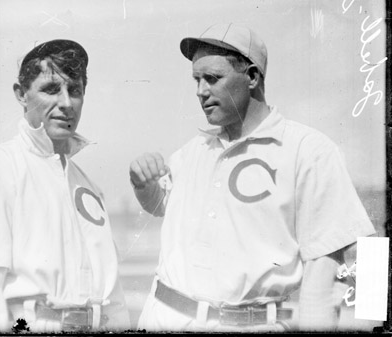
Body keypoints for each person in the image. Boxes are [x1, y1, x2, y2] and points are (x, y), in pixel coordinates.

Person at [129, 23, 376, 332]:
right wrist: (141, 183)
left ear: (252, 77)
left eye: (212, 78)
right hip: (163, 318)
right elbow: (158, 206)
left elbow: (369, 259)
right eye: (196, 79)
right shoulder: (191, 152)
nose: (200, 91)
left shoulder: (306, 150)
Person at [0, 39, 129, 332]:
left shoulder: (88, 188)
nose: (66, 103)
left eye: (75, 90)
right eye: (51, 89)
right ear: (21, 95)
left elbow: (113, 301)